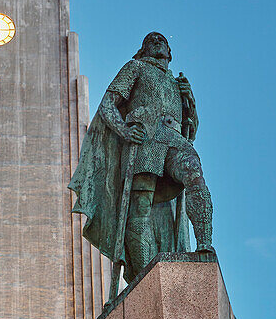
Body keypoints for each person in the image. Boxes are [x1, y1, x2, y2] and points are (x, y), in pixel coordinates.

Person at [69, 32, 214, 284]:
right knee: (140, 207)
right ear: (143, 49)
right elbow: (107, 104)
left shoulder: (177, 82)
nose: (157, 41)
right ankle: (145, 275)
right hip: (145, 139)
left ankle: (204, 244)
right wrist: (124, 130)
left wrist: (190, 101)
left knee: (194, 175)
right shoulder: (135, 67)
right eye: (151, 40)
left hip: (173, 138)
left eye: (162, 40)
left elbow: (191, 129)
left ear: (170, 52)